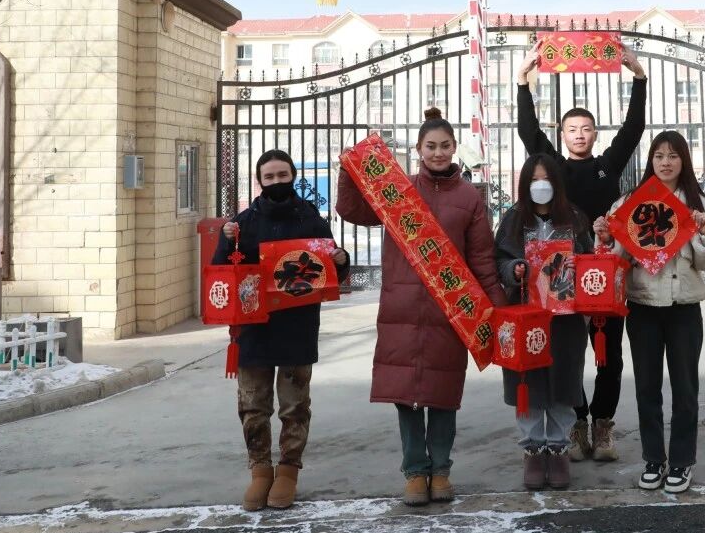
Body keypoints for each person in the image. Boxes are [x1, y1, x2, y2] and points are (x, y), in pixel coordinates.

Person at [335, 109, 508, 507]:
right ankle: (415, 471)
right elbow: (353, 211)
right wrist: (348, 168)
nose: (438, 153)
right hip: (402, 307)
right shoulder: (399, 191)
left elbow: (482, 259)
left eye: (445, 146)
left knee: (444, 392)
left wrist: (497, 310)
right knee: (406, 393)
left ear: (455, 148)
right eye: (431, 146)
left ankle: (441, 469)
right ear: (418, 149)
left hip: (451, 311)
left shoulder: (469, 198)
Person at [516, 44, 647, 464]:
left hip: (606, 275)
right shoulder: (553, 168)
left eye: (586, 128)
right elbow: (528, 133)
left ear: (594, 134)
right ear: (563, 134)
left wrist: (639, 78)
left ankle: (603, 425)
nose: (578, 134)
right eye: (572, 129)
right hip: (562, 277)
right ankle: (576, 424)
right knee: (569, 356)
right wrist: (522, 82)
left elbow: (633, 129)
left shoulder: (608, 165)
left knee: (610, 357)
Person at [214, 149, 350, 512]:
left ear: (293, 176)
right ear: (260, 181)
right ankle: (260, 470)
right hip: (253, 329)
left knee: (294, 406)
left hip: (296, 327)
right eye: (269, 176)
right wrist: (226, 241)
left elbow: (331, 271)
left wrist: (340, 260)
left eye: (282, 175)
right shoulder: (242, 224)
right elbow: (221, 273)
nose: (277, 182)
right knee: (253, 405)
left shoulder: (311, 219)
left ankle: (288, 470)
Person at [594, 130, 705, 494]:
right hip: (643, 306)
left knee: (685, 389)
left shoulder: (700, 205)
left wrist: (704, 232)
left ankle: (682, 461)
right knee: (647, 388)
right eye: (659, 156)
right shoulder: (629, 203)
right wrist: (605, 237)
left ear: (684, 161)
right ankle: (654, 458)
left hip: (684, 307)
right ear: (651, 161)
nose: (666, 162)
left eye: (673, 156)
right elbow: (613, 259)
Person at [494, 154, 595, 490]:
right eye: (534, 180)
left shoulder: (574, 218)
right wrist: (514, 270)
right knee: (530, 384)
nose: (541, 186)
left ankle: (559, 448)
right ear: (525, 184)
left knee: (563, 383)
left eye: (547, 179)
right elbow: (498, 260)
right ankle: (534, 449)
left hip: (566, 319)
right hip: (526, 316)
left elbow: (590, 259)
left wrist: (579, 266)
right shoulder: (513, 219)